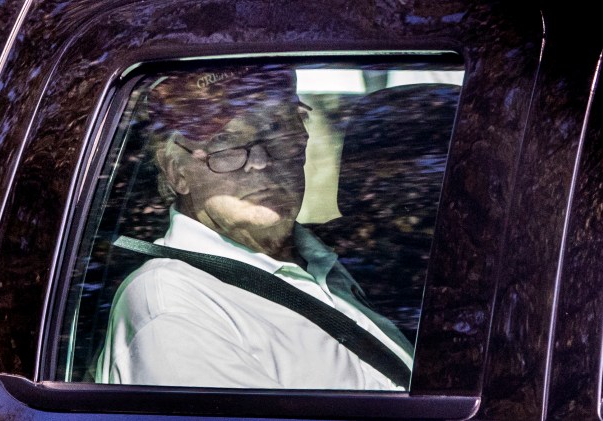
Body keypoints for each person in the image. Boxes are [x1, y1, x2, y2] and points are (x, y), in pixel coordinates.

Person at [95, 64, 414, 389]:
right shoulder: (173, 306)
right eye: (227, 145)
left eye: (278, 132)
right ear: (178, 172)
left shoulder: (334, 257)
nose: (261, 162)